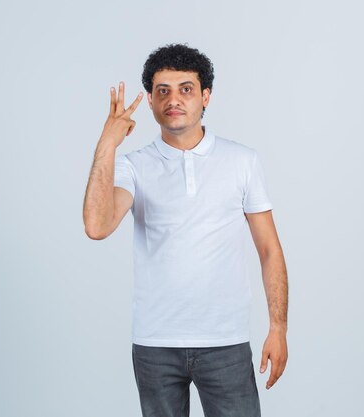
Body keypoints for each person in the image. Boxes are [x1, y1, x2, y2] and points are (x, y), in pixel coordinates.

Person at [82, 43, 288, 417]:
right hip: (155, 344)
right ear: (149, 100)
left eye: (185, 89)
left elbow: (269, 250)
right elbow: (97, 226)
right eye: (163, 90)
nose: (173, 99)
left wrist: (278, 327)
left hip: (225, 342)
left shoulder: (242, 161)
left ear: (205, 95)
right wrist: (107, 144)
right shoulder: (134, 166)